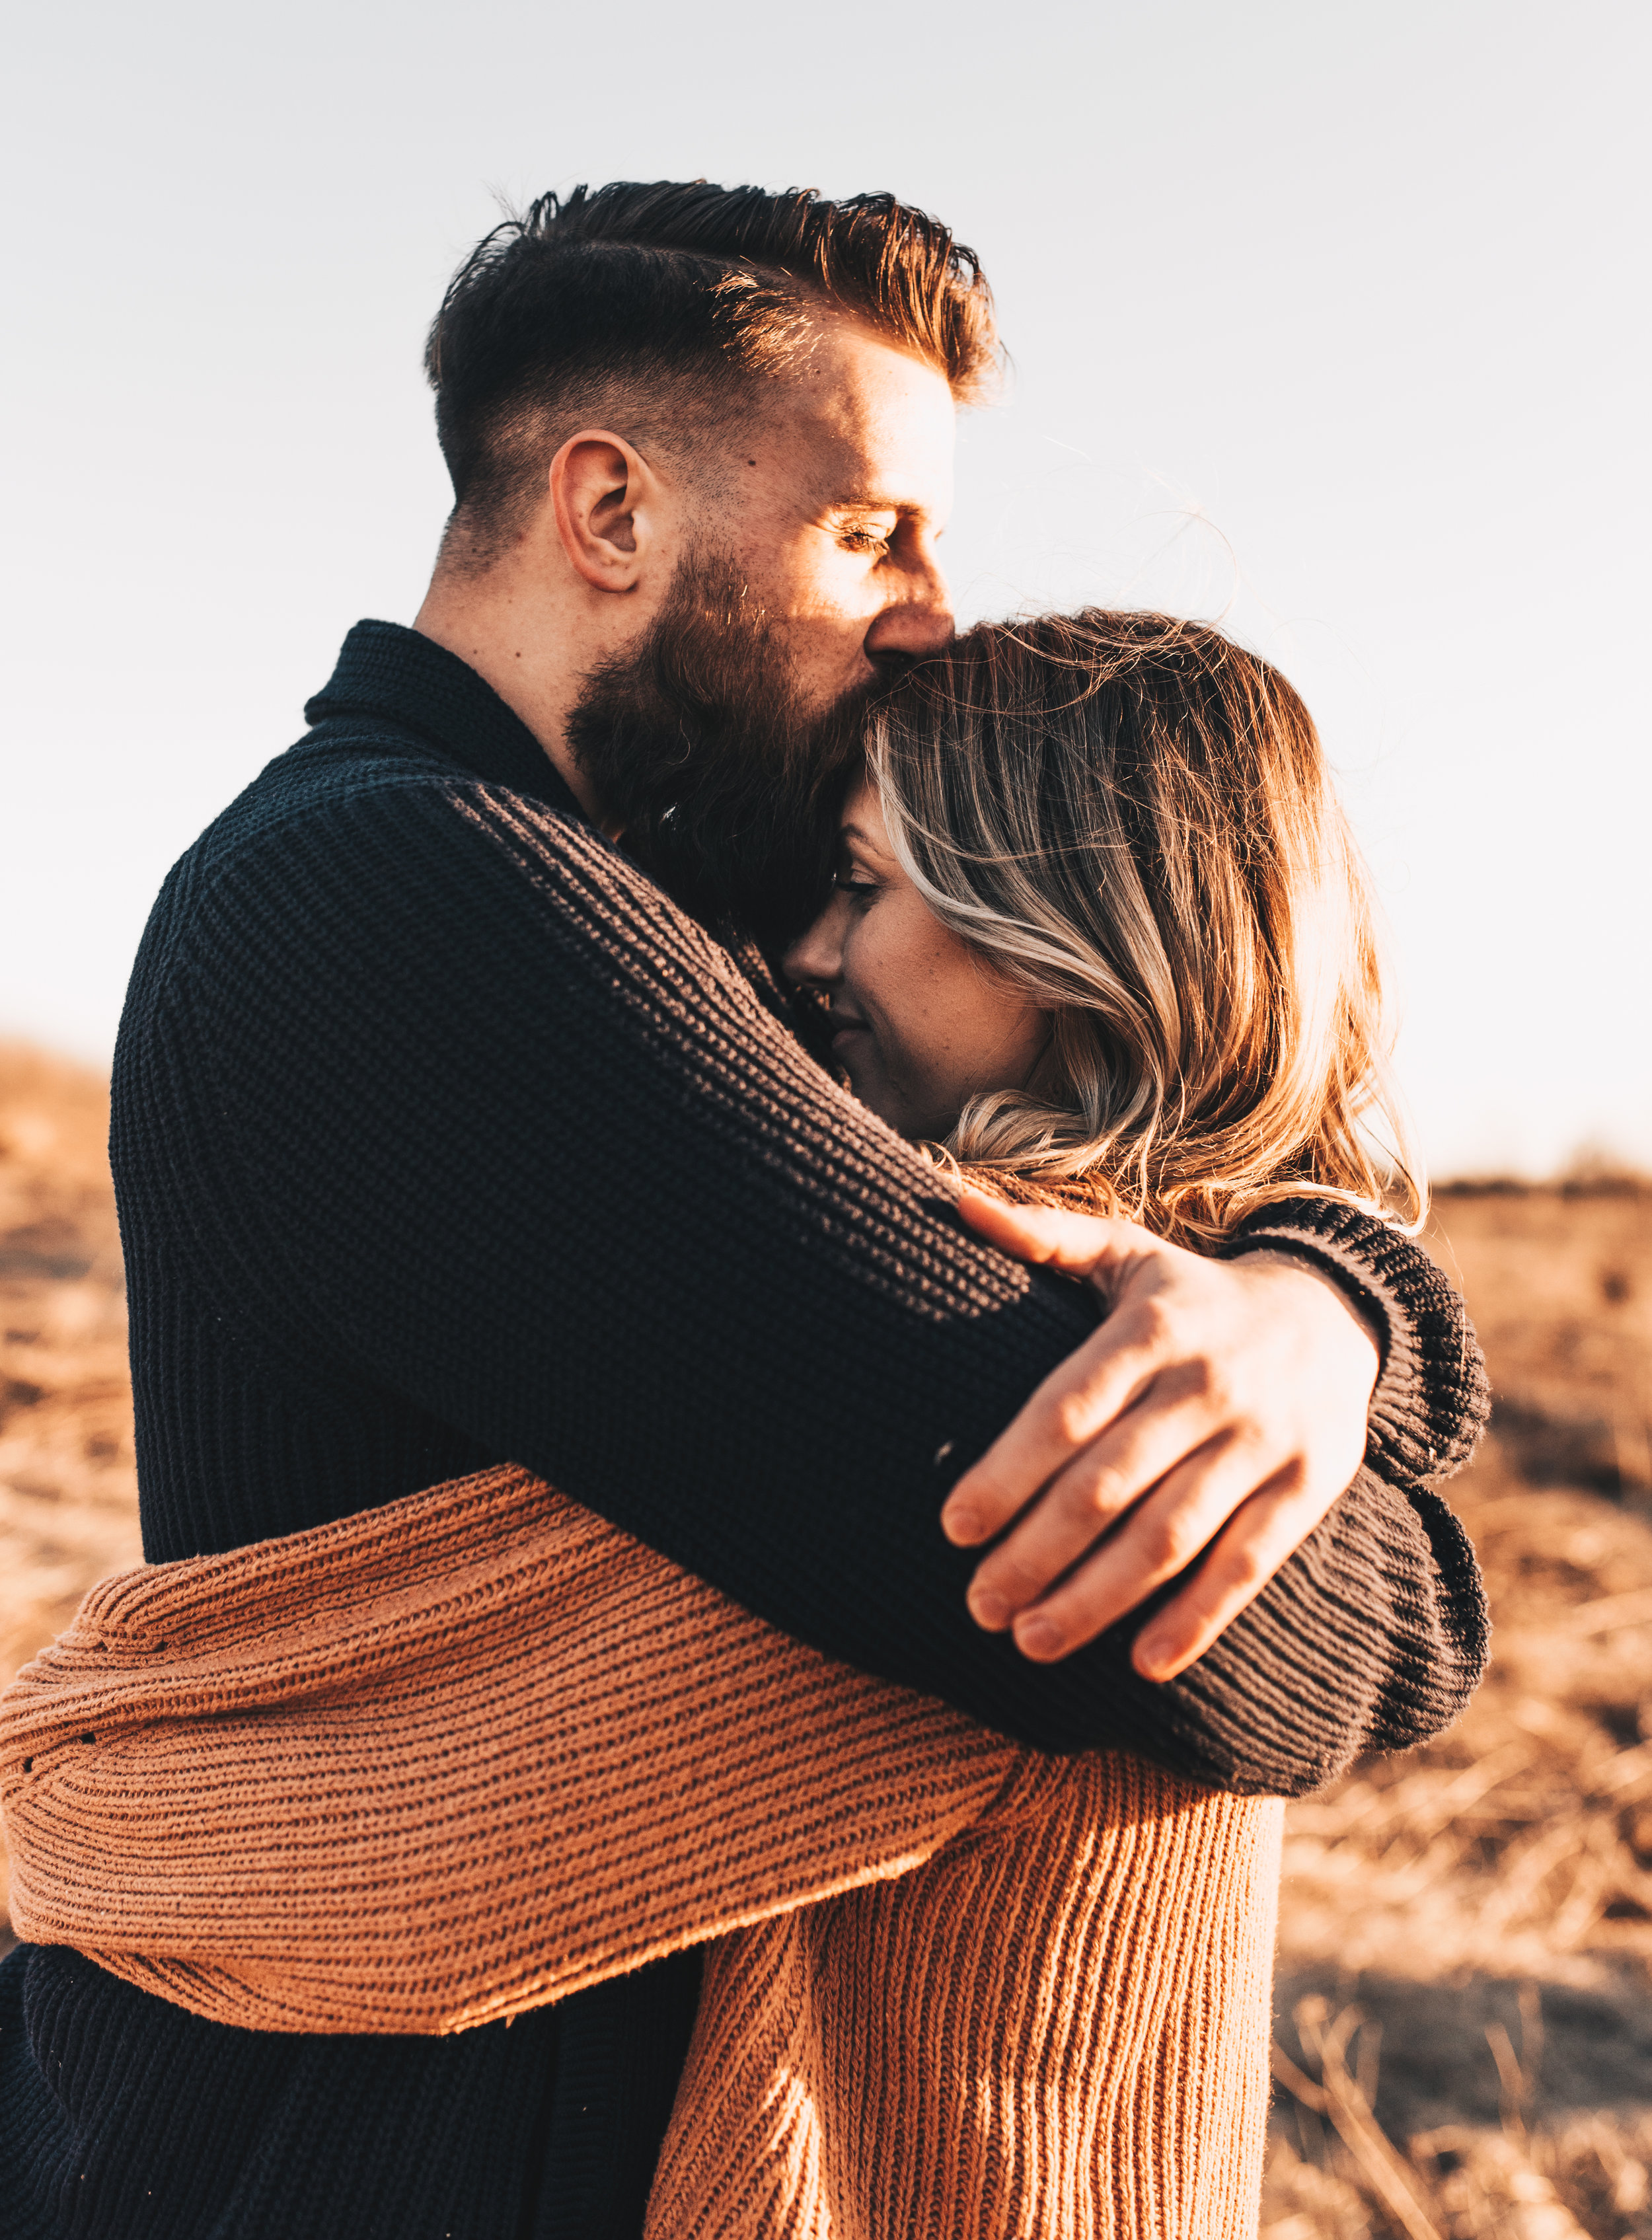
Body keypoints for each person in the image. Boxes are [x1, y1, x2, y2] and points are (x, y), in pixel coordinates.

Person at [0, 183, 1486, 2240]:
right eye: (871, 528)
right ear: (607, 513)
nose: (927, 610)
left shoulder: (641, 902)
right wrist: (1379, 1486)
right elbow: (1206, 1629)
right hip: (335, 2151)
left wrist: (1324, 1301)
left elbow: (1155, 1186)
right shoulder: (404, 893)